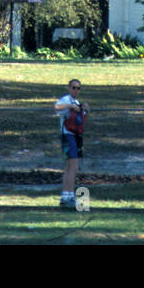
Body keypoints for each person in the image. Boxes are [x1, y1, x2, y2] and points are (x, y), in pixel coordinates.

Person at [54, 78, 88, 210]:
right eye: (73, 87)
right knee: (72, 166)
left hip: (76, 135)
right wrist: (70, 106)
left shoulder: (77, 102)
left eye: (78, 88)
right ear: (69, 88)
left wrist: (85, 109)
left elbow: (82, 120)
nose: (76, 90)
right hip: (68, 135)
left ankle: (67, 195)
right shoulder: (66, 100)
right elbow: (56, 107)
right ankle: (68, 195)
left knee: (72, 166)